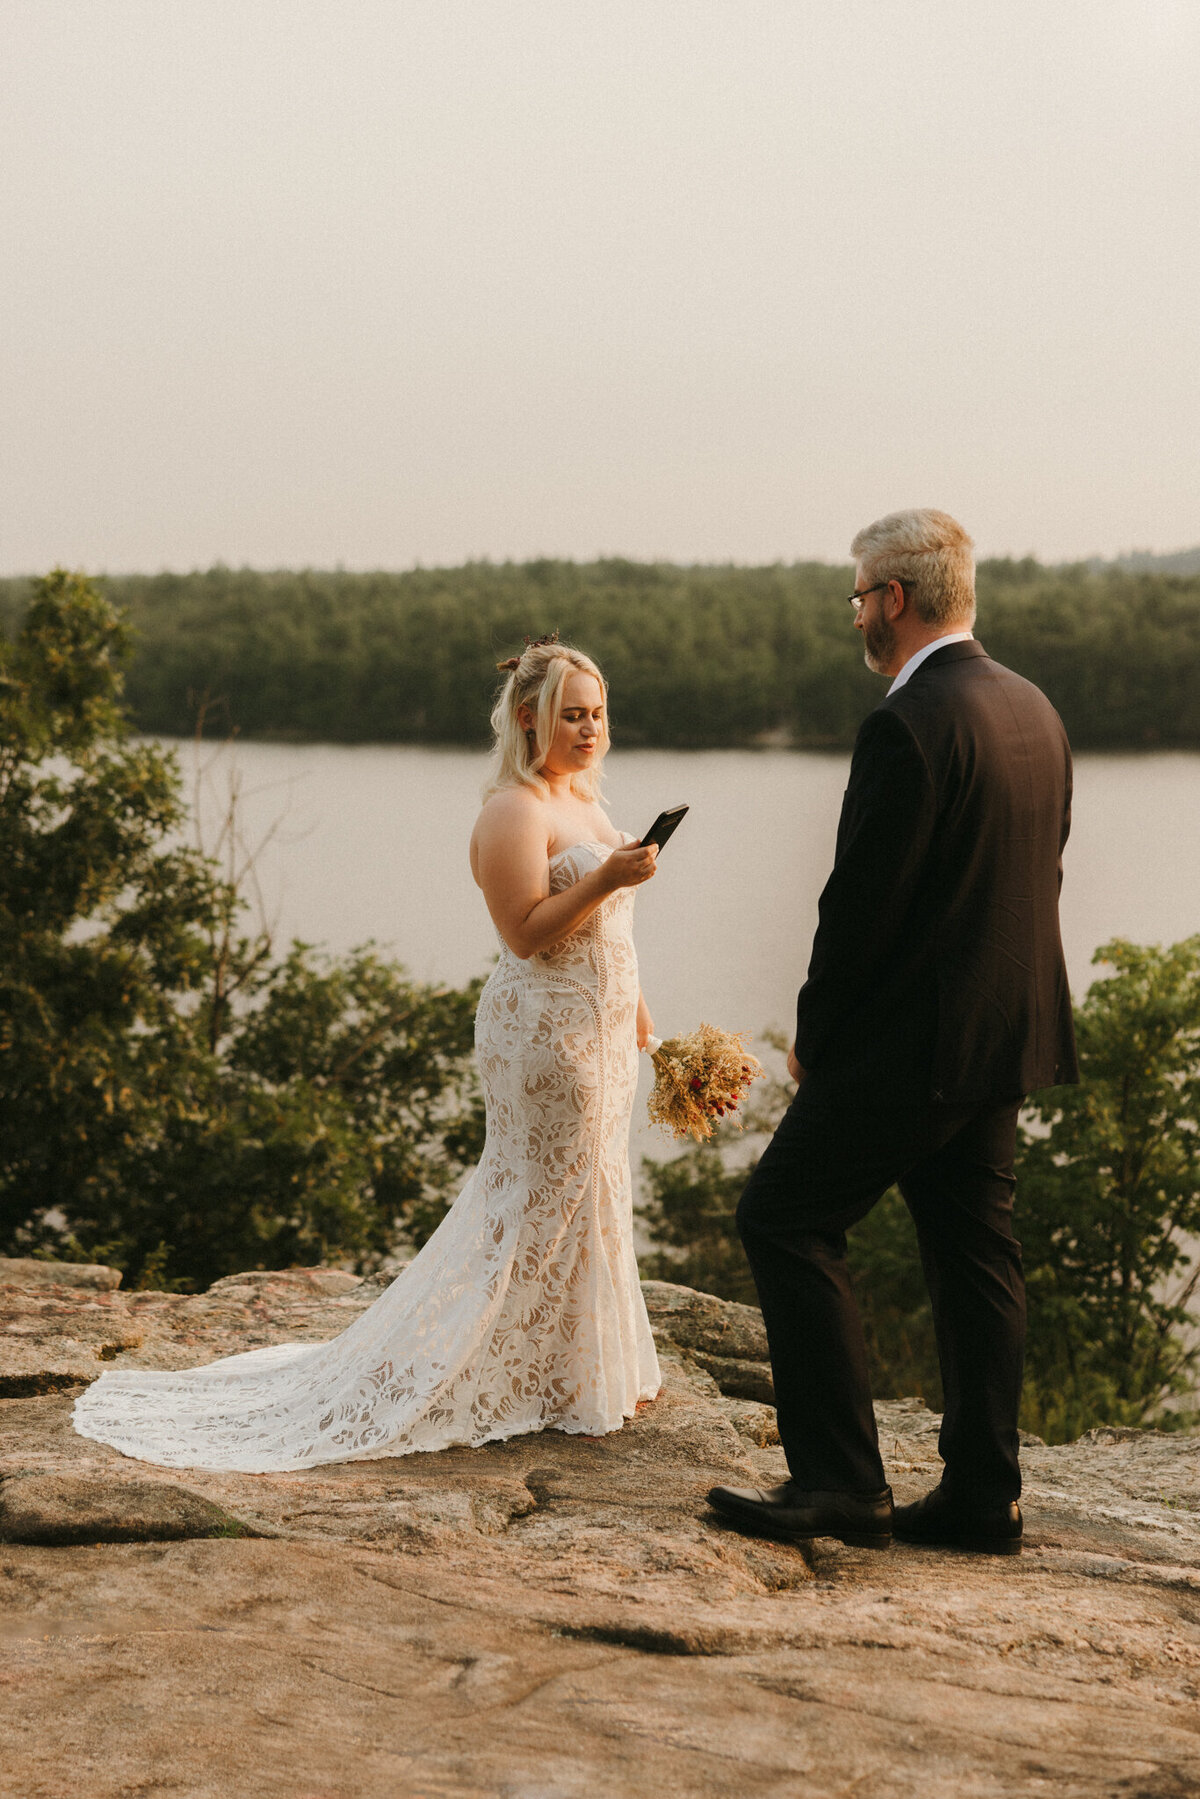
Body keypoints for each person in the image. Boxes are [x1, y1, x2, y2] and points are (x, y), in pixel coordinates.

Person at [73, 636, 662, 1472]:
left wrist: (642, 1019)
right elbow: (525, 934)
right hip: (543, 1041)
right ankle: (488, 1367)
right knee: (534, 1198)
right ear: (528, 719)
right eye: (573, 714)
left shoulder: (592, 805)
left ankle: (573, 1374)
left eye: (599, 713)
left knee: (592, 1187)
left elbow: (610, 934)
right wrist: (605, 878)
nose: (590, 728)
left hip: (602, 1039)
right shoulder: (514, 810)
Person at [708, 509, 1077, 1555]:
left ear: (895, 600)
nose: (858, 615)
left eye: (860, 596)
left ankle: (839, 1482)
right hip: (1002, 1034)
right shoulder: (1033, 706)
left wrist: (816, 1037)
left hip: (913, 1046)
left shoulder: (907, 724)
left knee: (783, 1214)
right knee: (974, 1251)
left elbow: (860, 905)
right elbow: (1039, 873)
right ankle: (981, 1496)